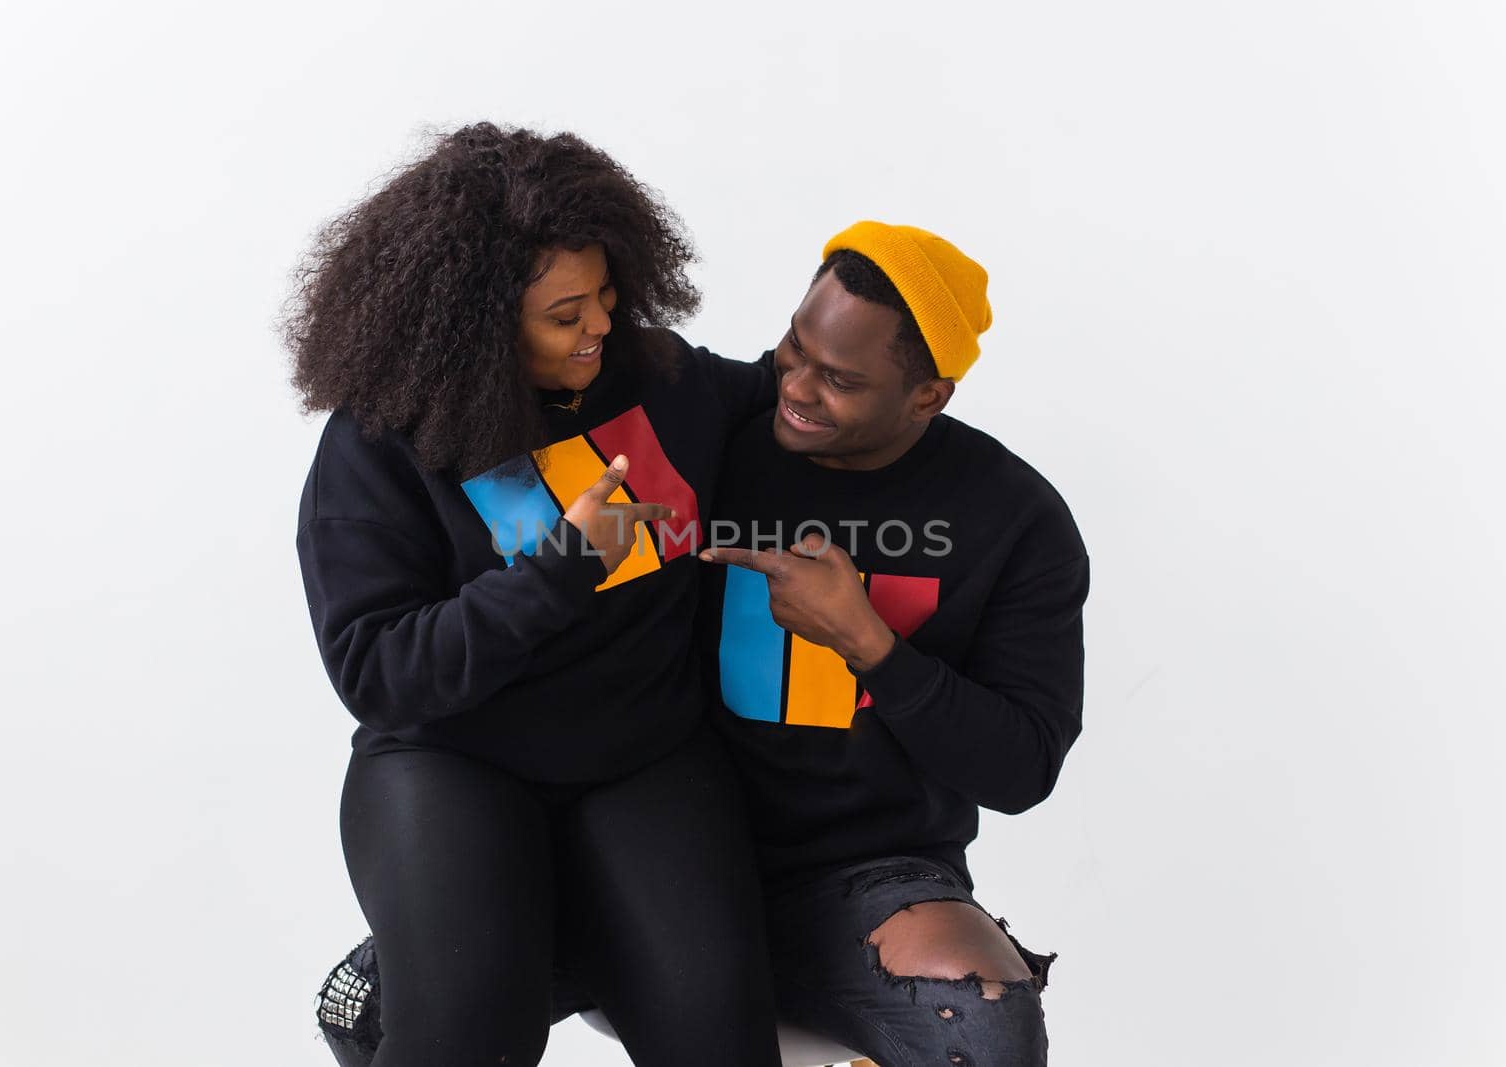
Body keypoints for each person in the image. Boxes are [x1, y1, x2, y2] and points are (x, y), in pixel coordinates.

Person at [314, 222, 1087, 1067]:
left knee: (975, 1017)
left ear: (928, 397)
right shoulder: (706, 420)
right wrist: (558, 568)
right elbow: (378, 666)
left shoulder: (1013, 519)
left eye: (839, 379)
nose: (795, 385)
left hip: (829, 867)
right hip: (591, 825)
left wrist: (870, 642)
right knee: (416, 1014)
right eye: (793, 347)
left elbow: (1023, 768)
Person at [288, 121, 783, 1067]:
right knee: (468, 1035)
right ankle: (442, 968)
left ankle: (540, 942)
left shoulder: (656, 375)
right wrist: (561, 565)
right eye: (566, 314)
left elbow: (781, 400)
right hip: (453, 762)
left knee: (720, 1037)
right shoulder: (381, 444)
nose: (600, 325)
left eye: (606, 295)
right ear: (481, 321)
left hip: (642, 757)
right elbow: (381, 670)